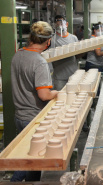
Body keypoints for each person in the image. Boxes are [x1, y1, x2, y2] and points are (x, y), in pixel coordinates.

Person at [10, 21, 58, 182]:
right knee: (32, 163)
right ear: (48, 41)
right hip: (33, 118)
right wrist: (56, 93)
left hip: (19, 115)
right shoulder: (39, 61)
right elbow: (44, 95)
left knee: (28, 157)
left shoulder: (18, 54)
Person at [51, 15, 79, 90]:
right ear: (55, 25)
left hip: (73, 75)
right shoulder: (52, 40)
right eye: (58, 24)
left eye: (62, 23)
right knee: (60, 99)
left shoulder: (73, 38)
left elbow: (77, 56)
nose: (60, 26)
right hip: (59, 77)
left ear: (66, 24)